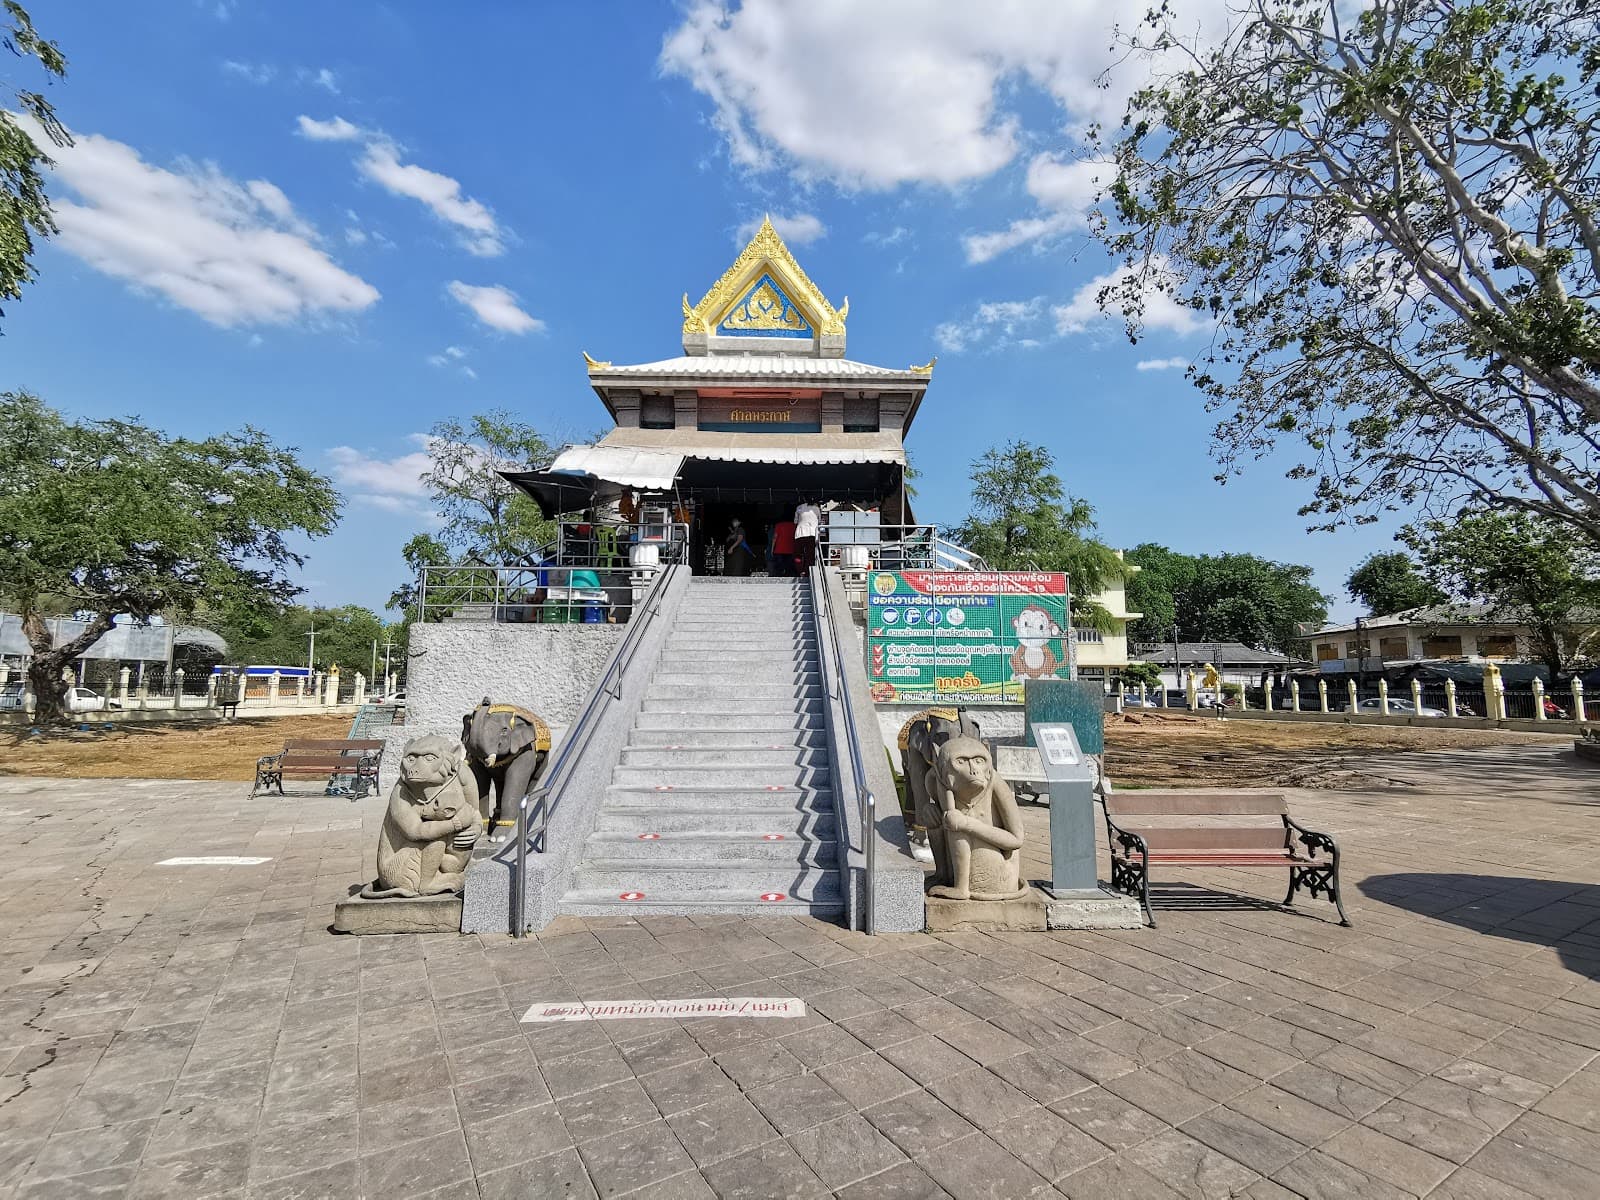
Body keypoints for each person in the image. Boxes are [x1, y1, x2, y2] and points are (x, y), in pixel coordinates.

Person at [794, 498, 821, 570]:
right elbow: (820, 521)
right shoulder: (817, 509)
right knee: (810, 554)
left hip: (800, 533)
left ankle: (799, 571)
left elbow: (795, 521)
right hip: (812, 534)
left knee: (798, 554)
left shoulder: (799, 507)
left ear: (804, 499)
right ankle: (808, 571)